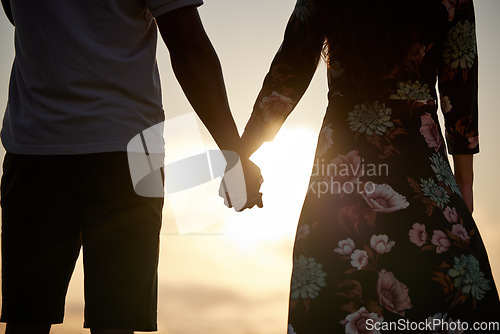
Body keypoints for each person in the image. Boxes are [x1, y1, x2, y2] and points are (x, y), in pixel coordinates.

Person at [0, 1, 261, 334]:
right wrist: (233, 153)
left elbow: (16, 15)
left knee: (27, 319)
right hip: (129, 149)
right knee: (116, 320)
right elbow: (189, 47)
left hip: (36, 144)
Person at [240, 0, 500, 332]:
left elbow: (289, 71)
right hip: (422, 166)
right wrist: (465, 182)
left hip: (342, 170)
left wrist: (242, 152)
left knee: (335, 294)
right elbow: (459, 84)